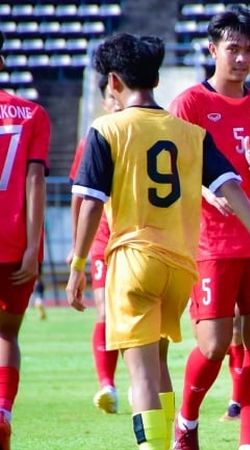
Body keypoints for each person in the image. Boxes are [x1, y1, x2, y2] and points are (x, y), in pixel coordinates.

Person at [66, 33, 250, 450]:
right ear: (156, 79)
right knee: (160, 362)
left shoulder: (106, 129)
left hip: (133, 259)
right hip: (180, 265)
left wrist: (77, 266)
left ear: (113, 82)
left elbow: (89, 204)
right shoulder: (189, 131)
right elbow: (232, 186)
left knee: (141, 372)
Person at [168, 7, 250, 449]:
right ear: (212, 49)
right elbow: (175, 172)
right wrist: (204, 193)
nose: (242, 58)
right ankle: (187, 420)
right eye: (233, 49)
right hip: (212, 242)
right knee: (215, 343)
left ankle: (249, 443)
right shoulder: (190, 104)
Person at [0, 28, 51, 448]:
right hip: (15, 242)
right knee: (6, 335)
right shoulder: (31, 114)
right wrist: (33, 246)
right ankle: (2, 411)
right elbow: (35, 180)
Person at [69, 75, 123, 414]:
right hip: (104, 239)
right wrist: (79, 247)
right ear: (104, 100)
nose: (116, 101)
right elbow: (82, 196)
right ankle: (108, 385)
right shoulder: (93, 139)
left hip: (138, 238)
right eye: (109, 97)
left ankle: (145, 386)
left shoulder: (144, 131)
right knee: (105, 310)